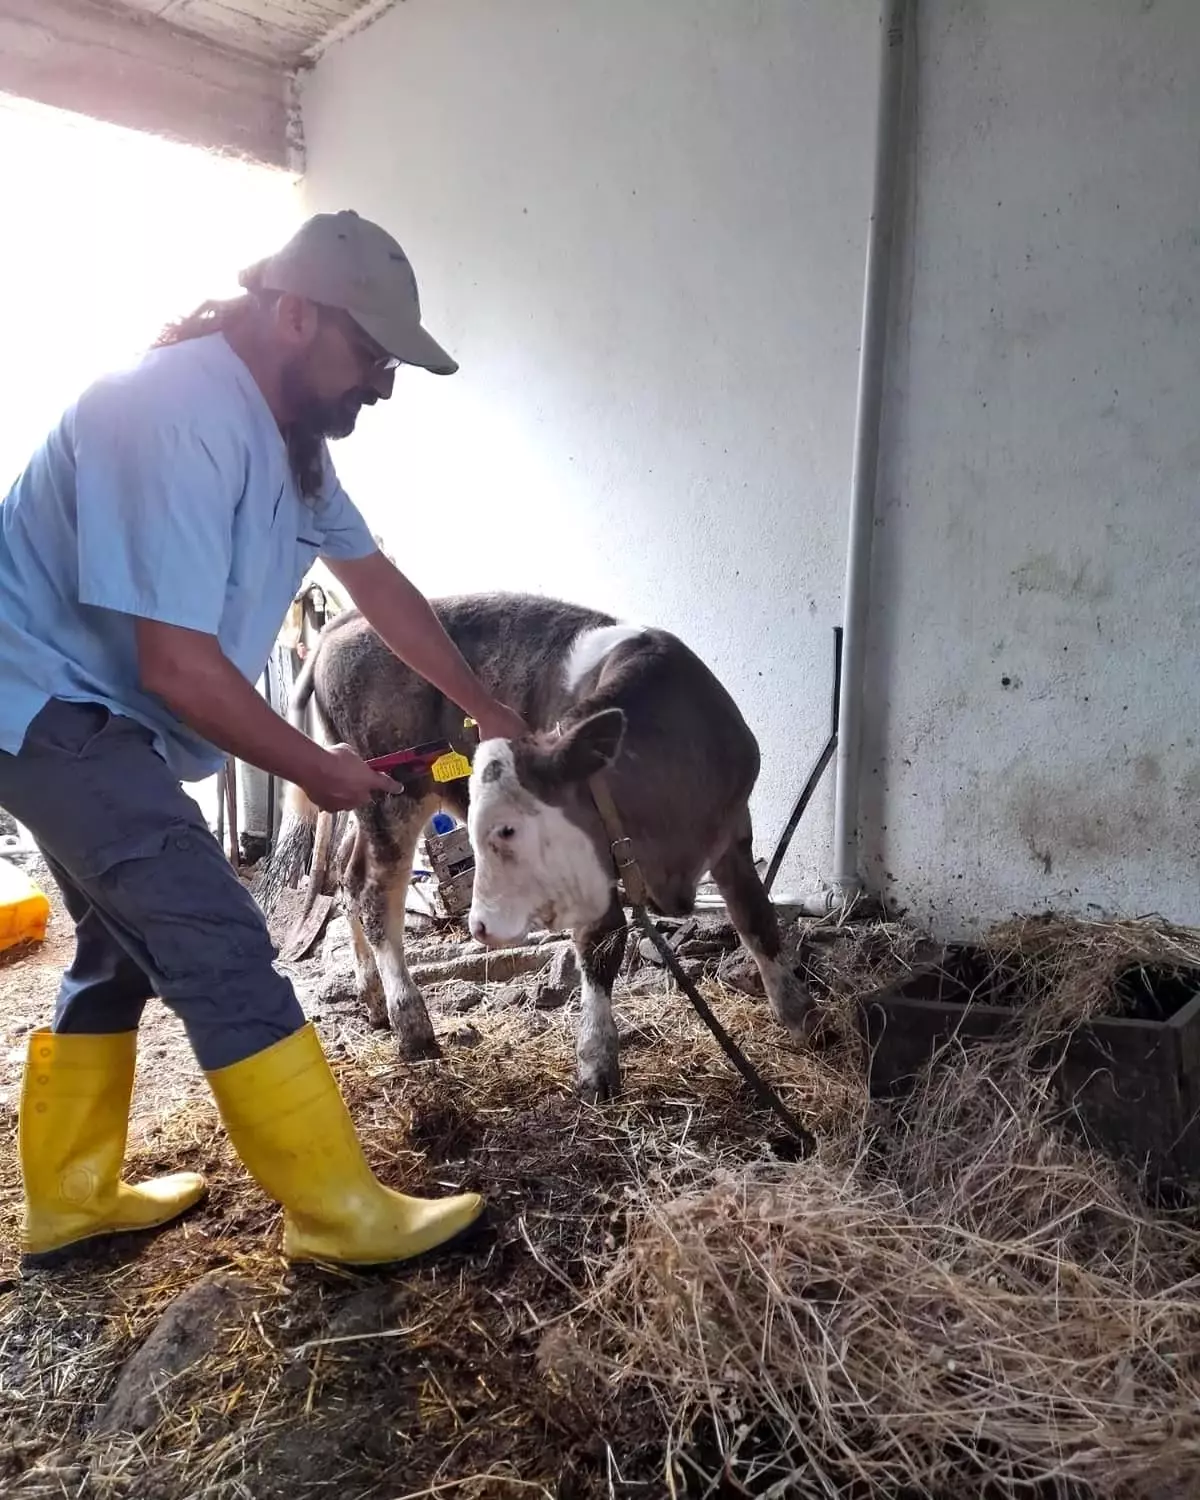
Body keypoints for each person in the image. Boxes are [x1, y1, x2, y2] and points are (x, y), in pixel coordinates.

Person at [0, 209, 528, 1271]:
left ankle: (71, 1198)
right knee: (213, 929)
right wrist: (322, 770)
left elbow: (380, 588)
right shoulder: (167, 414)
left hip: (94, 714)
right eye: (370, 353)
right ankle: (337, 1216)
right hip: (42, 707)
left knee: (117, 940)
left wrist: (488, 709)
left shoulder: (288, 442)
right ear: (294, 315)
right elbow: (178, 667)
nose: (380, 384)